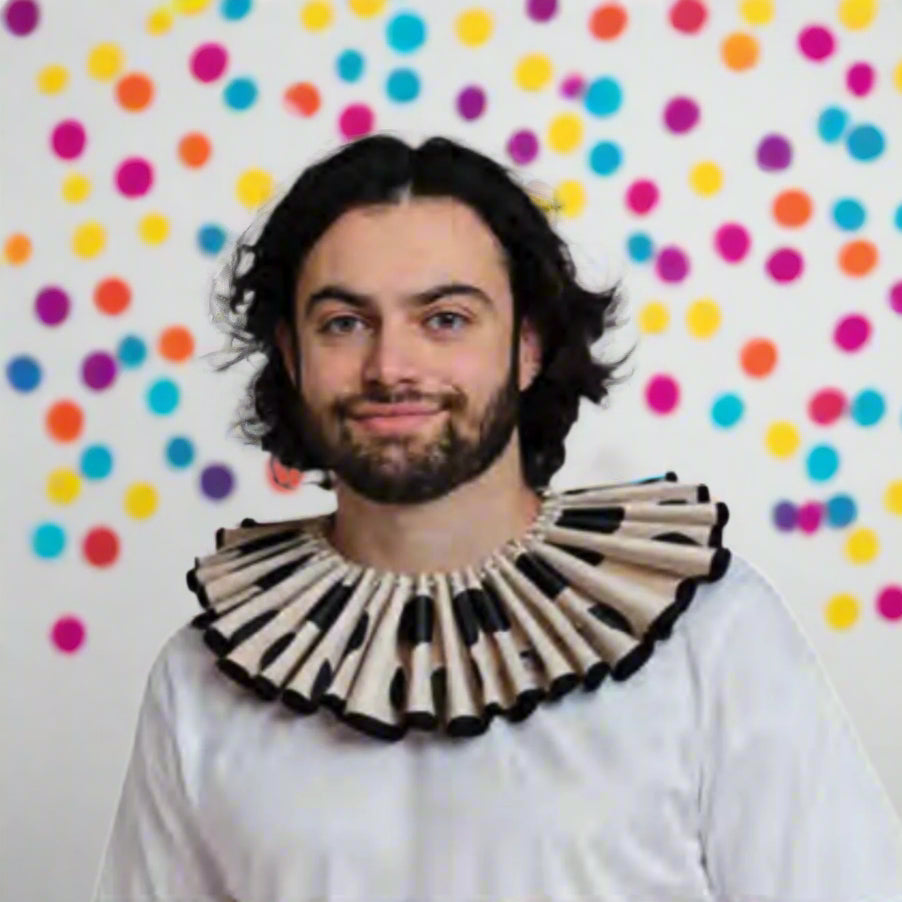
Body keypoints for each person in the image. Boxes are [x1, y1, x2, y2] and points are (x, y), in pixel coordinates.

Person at [91, 134, 902, 902]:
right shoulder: (200, 680)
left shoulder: (711, 634)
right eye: (344, 324)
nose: (391, 366)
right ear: (292, 352)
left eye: (445, 319)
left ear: (528, 345)